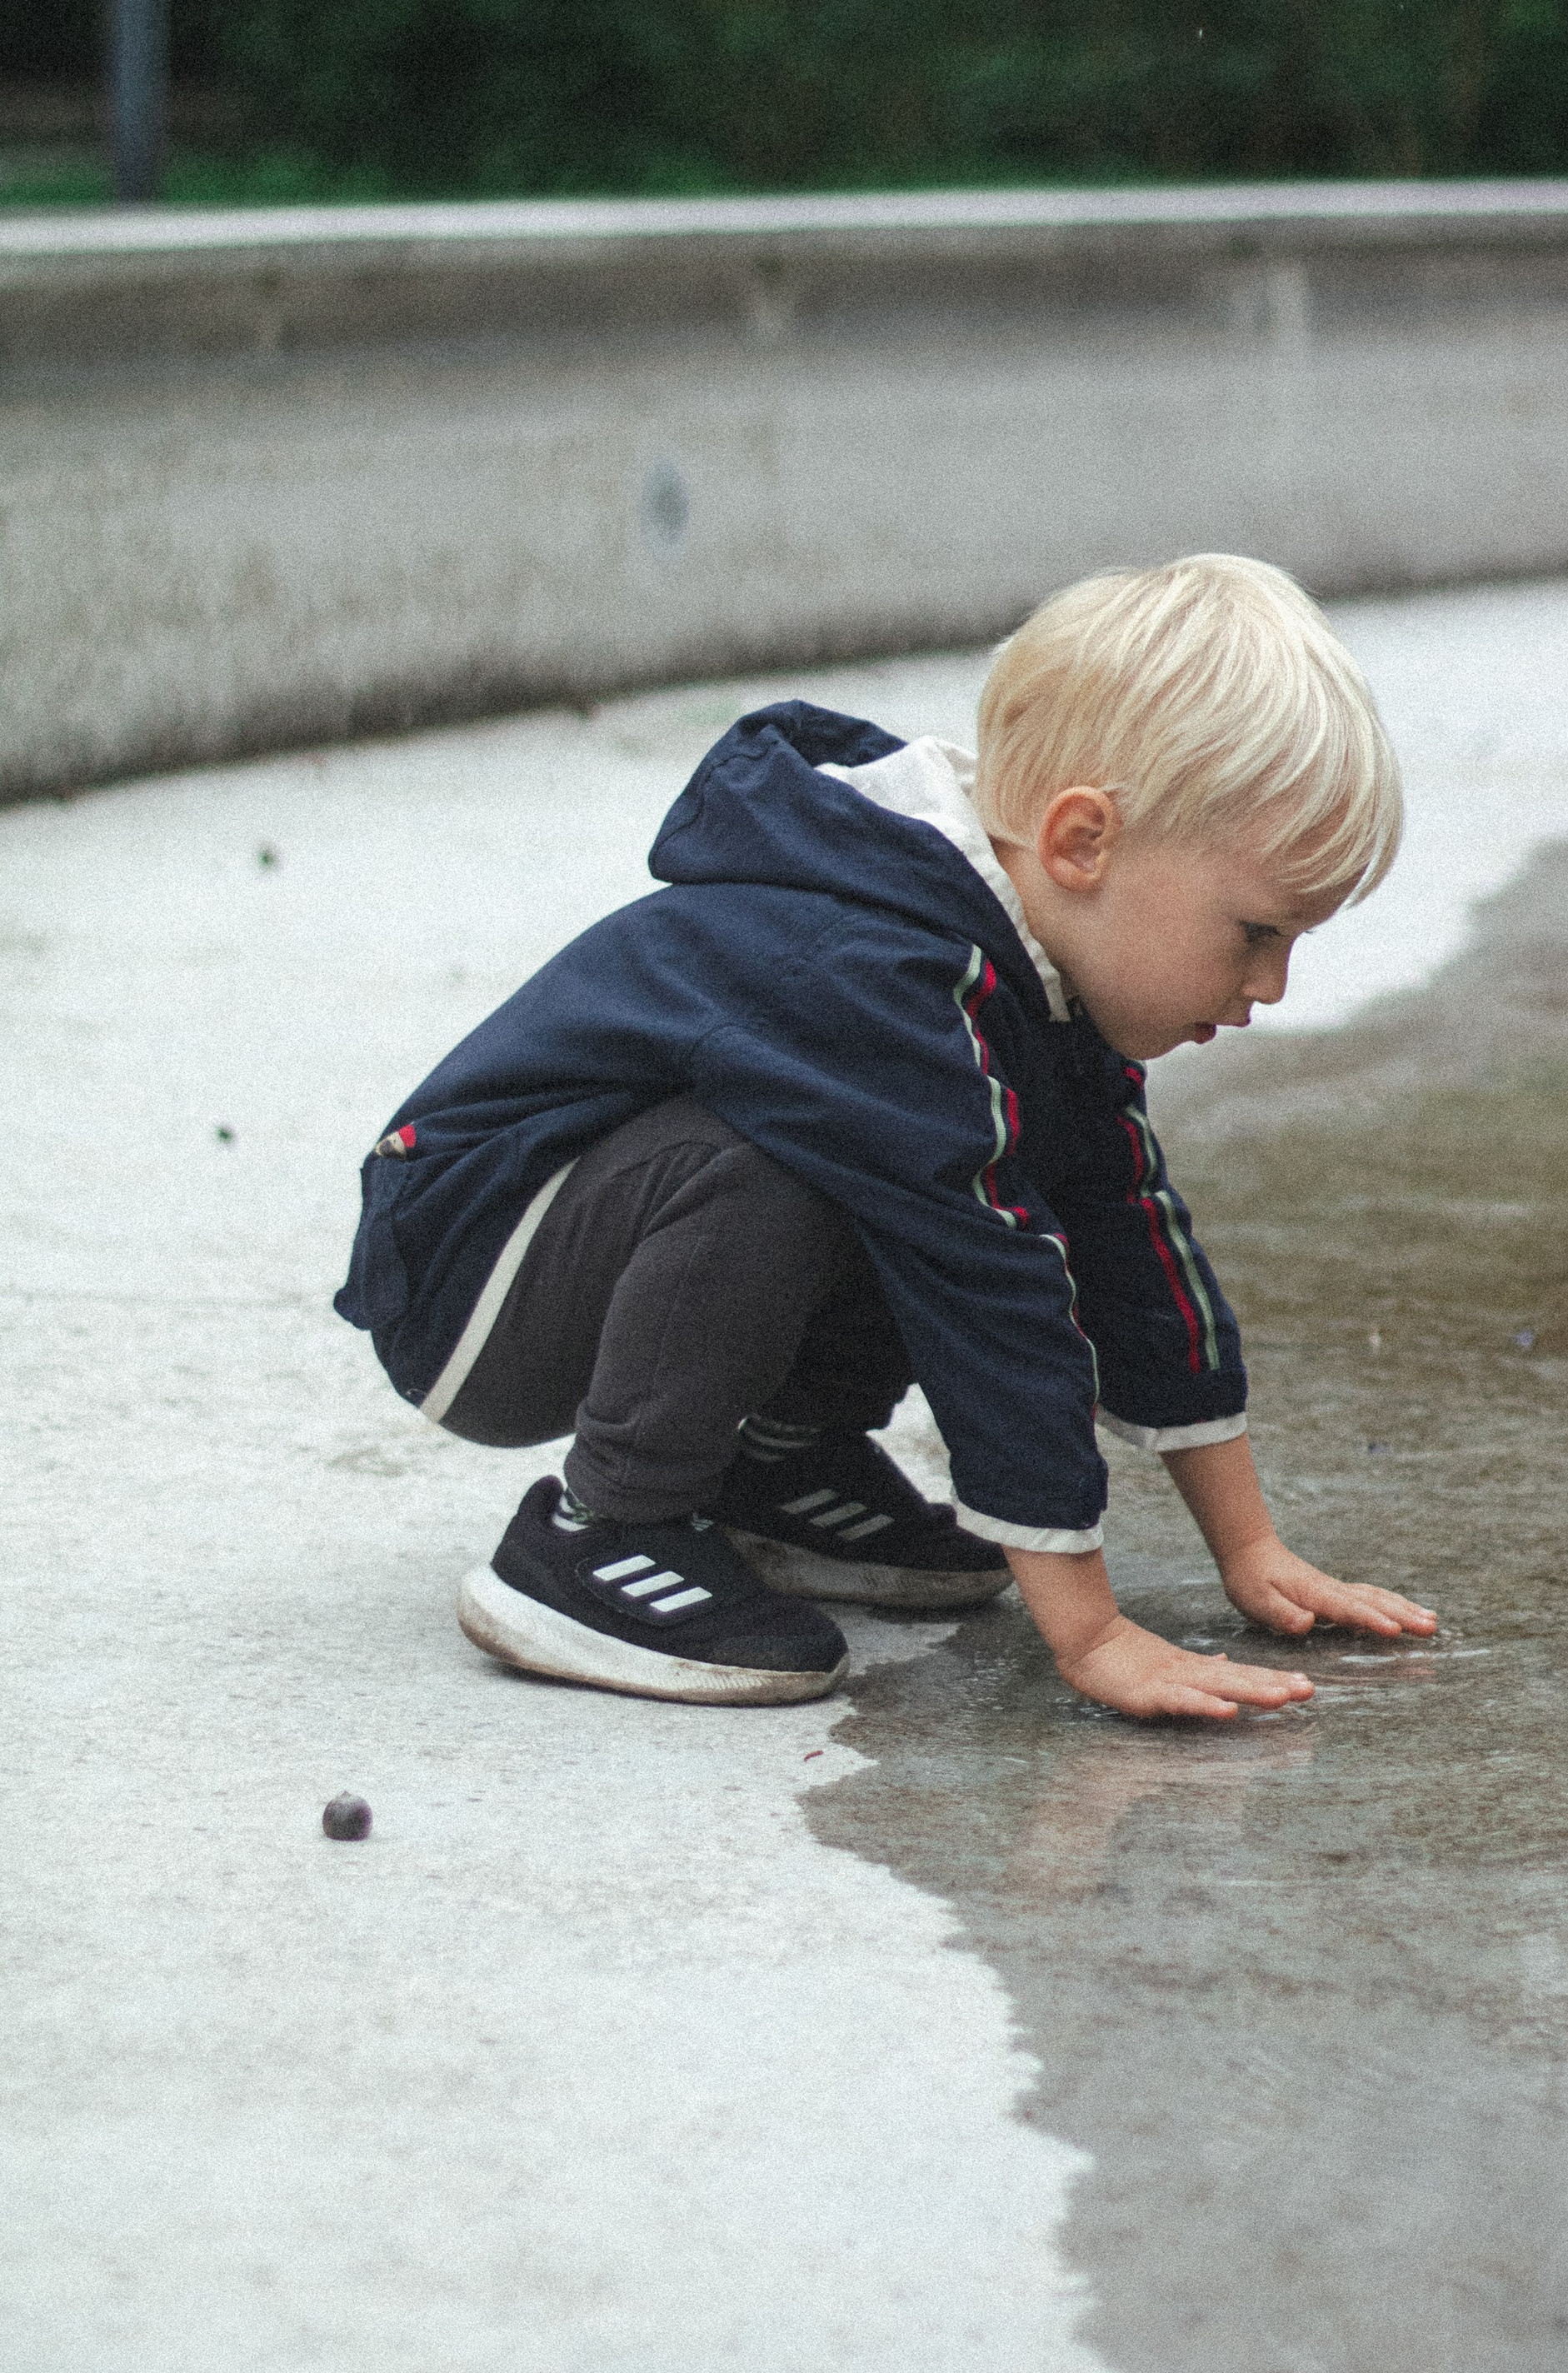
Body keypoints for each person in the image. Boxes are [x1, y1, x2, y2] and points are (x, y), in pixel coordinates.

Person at [334, 554, 1436, 1717]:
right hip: (470, 1271)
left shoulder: (1033, 972)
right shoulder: (885, 970)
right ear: (1080, 844)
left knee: (970, 1162)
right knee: (843, 1169)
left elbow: (1129, 1236)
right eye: (1256, 932)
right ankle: (602, 1530)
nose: (1271, 985)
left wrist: (1248, 1547)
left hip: (586, 1248)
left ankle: (778, 1467)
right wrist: (1092, 1633)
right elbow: (988, 1288)